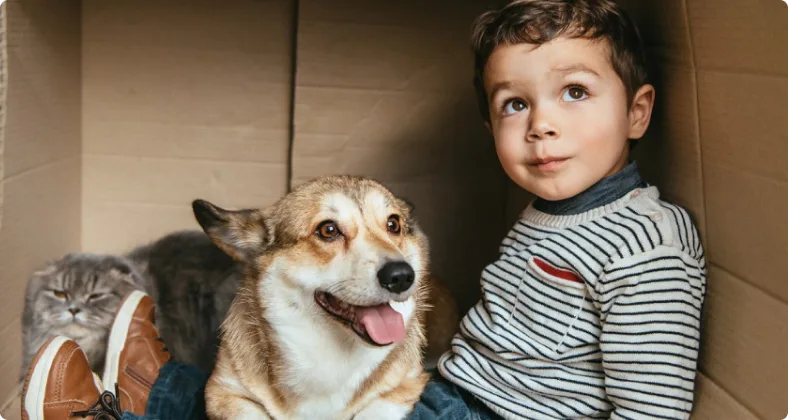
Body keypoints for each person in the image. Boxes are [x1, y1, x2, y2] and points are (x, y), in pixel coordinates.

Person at [21, 0, 707, 418]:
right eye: (515, 104)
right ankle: (155, 383)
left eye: (576, 93)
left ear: (639, 111)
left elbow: (653, 409)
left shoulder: (646, 245)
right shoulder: (555, 212)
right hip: (449, 390)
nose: (542, 125)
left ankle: (109, 408)